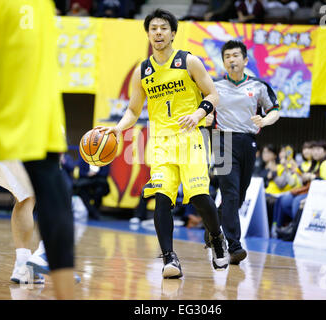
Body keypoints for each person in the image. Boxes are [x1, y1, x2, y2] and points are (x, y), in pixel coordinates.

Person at [0, 0, 75, 299]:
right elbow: (42, 79)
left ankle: (23, 265)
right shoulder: (39, 9)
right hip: (10, 119)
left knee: (26, 195)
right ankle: (44, 255)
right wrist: (55, 134)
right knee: (54, 191)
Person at [98, 8, 229, 279]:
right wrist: (117, 129)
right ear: (148, 34)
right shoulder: (142, 71)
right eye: (153, 28)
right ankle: (169, 258)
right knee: (161, 198)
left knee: (200, 198)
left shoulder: (189, 61)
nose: (158, 32)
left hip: (190, 138)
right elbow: (133, 111)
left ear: (172, 33)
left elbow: (213, 94)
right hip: (160, 142)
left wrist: (198, 113)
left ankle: (217, 237)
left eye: (163, 28)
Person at [212, 40, 280, 264]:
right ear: (223, 62)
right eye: (227, 56)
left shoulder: (259, 86)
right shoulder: (213, 86)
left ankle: (214, 223)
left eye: (235, 56)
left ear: (245, 60)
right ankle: (234, 246)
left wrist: (265, 120)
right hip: (221, 140)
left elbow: (275, 110)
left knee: (238, 196)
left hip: (248, 142)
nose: (231, 59)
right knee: (230, 193)